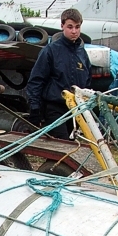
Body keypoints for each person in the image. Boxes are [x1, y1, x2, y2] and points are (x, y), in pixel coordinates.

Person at [26, 8, 92, 140]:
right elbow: (36, 80)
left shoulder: (82, 54)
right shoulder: (51, 51)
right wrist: (34, 108)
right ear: (62, 26)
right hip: (55, 108)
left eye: (77, 27)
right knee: (62, 144)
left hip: (76, 110)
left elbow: (88, 81)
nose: (74, 31)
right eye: (70, 27)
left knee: (74, 147)